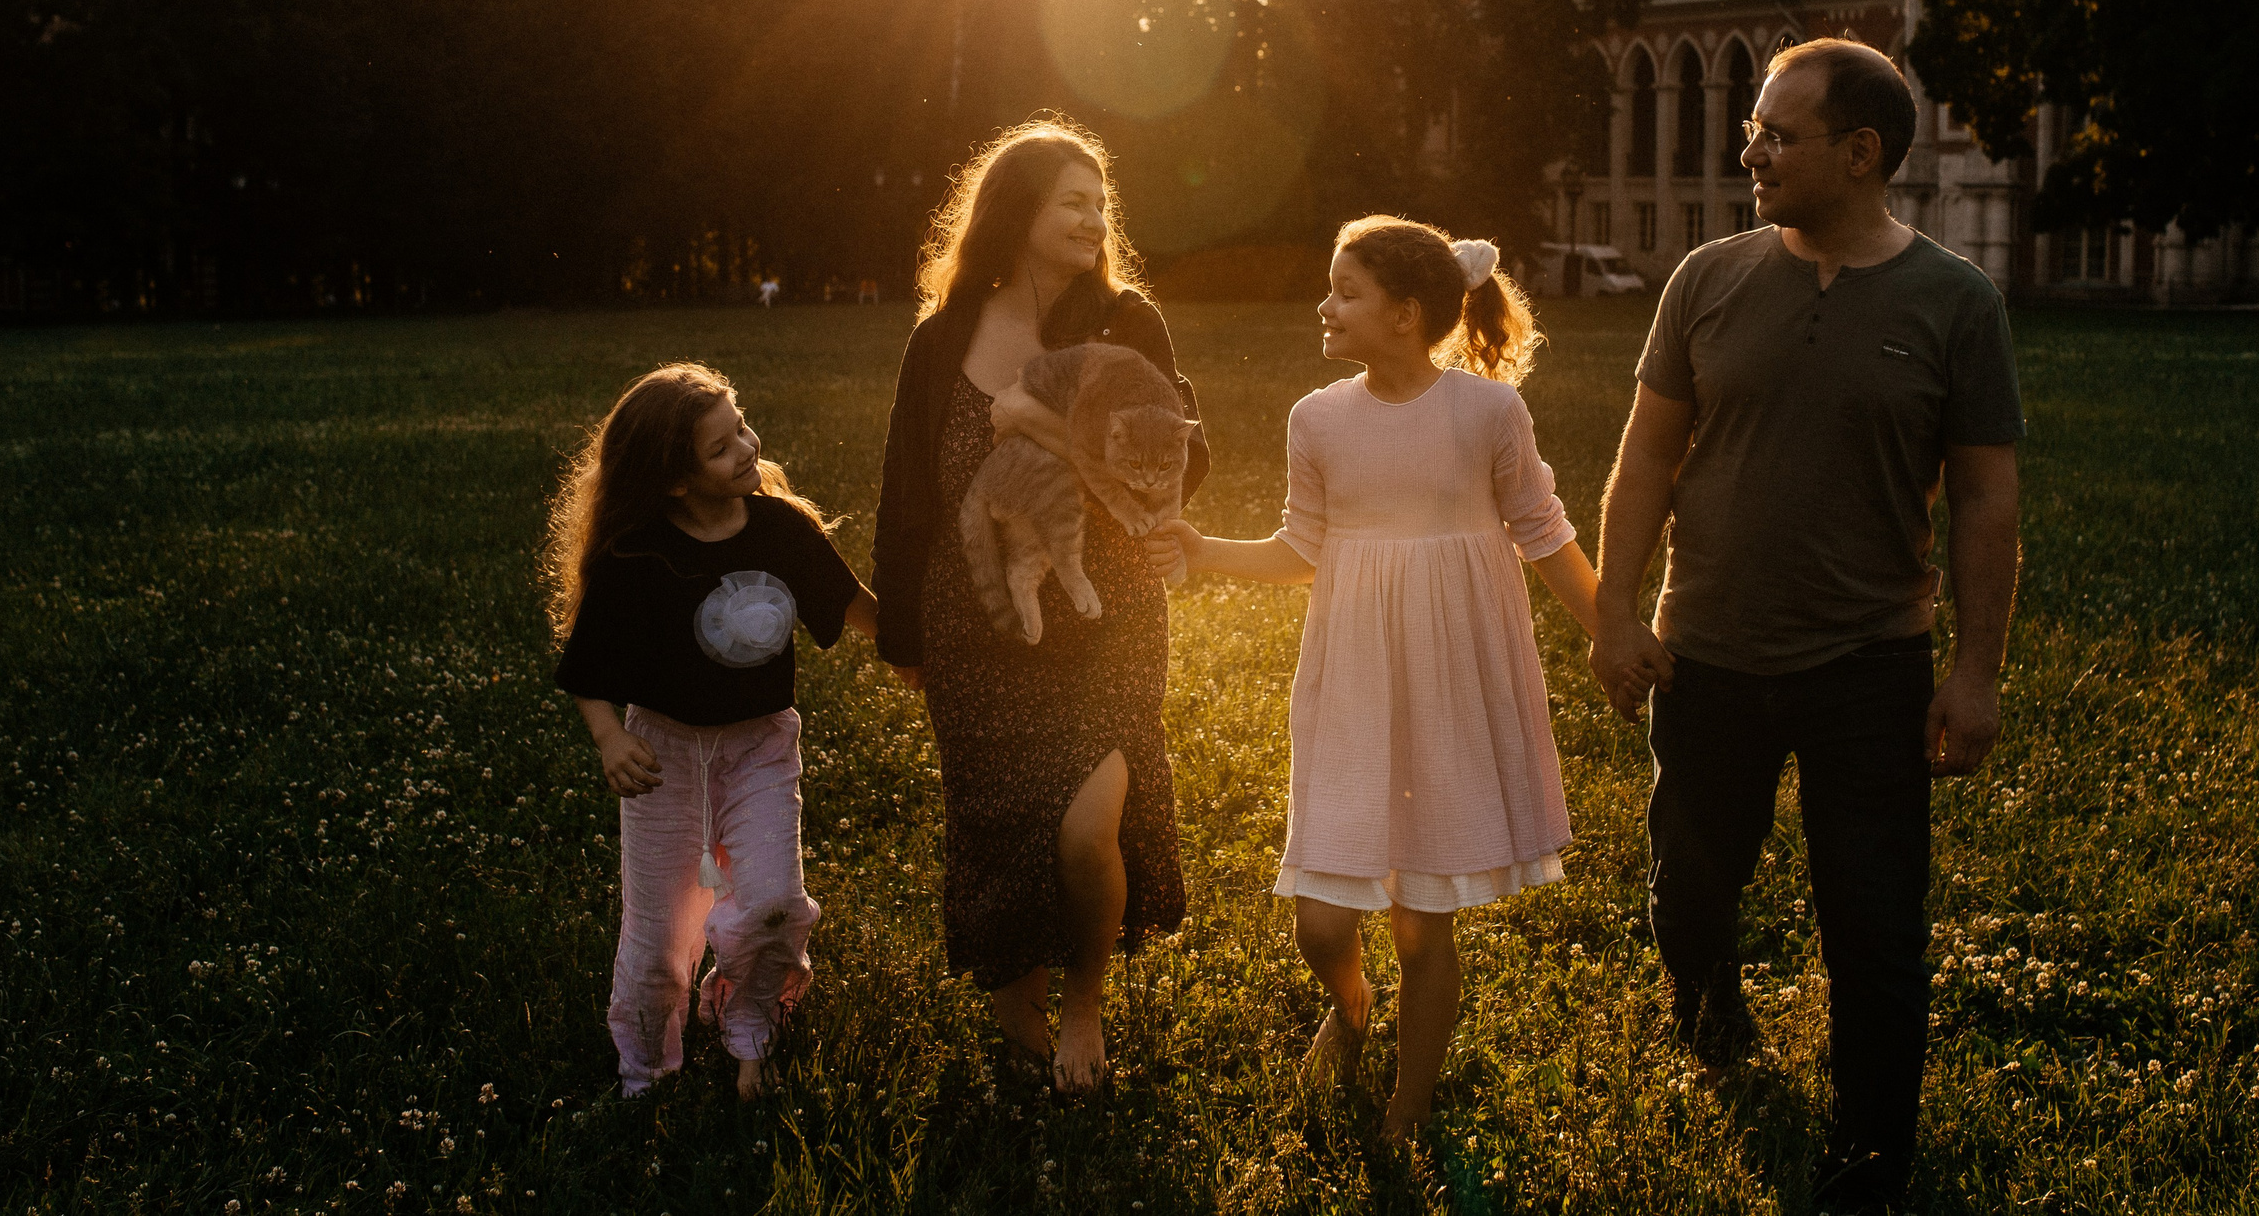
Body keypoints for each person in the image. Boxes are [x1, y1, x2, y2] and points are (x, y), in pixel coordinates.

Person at [1591, 38, 2022, 1213]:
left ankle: (1870, 1157)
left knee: (1875, 931)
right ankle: (1712, 1015)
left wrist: (1974, 675)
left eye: (1779, 134)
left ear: (1861, 152)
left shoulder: (1954, 302)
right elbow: (1645, 460)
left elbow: (1987, 496)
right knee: (1688, 893)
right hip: (1708, 654)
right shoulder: (1706, 279)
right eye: (1753, 128)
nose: (1752, 150)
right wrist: (1615, 614)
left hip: (1869, 668)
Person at [1160, 216, 1597, 1139]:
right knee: (1321, 921)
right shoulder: (1317, 418)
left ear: (1405, 314)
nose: (1325, 303)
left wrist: (1613, 630)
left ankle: (1409, 1104)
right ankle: (1352, 1004)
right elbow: (1300, 548)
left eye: (1345, 290)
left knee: (1419, 919)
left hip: (1451, 683)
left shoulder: (1487, 412)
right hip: (1352, 677)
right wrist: (1203, 550)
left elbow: (1543, 531)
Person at [871, 118, 1206, 1092]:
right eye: (1072, 200)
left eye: (1100, 202)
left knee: (1085, 824)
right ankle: (1013, 990)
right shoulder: (941, 343)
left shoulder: (1127, 322)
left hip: (1108, 620)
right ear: (1016, 212)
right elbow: (907, 495)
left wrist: (1045, 425)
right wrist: (902, 630)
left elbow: (1183, 453)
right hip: (975, 622)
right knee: (1002, 822)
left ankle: (1085, 1003)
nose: (1093, 218)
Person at [544, 362, 876, 1100]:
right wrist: (608, 737)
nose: (748, 448)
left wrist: (925, 652)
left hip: (760, 744)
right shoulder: (636, 555)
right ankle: (646, 1071)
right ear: (673, 479)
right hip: (663, 754)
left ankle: (752, 1031)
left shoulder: (782, 531)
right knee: (659, 938)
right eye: (723, 446)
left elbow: (857, 606)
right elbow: (589, 669)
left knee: (771, 903)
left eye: (742, 426)